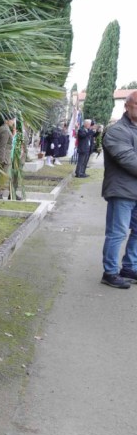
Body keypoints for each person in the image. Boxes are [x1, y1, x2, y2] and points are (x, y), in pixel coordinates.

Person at [99, 91, 137, 289]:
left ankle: (130, 267)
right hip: (121, 191)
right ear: (127, 106)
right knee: (118, 232)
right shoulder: (116, 131)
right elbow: (128, 160)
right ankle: (110, 272)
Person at [0, 116, 15, 198]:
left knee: (1, 175)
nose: (13, 122)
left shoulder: (4, 128)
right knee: (0, 175)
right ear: (7, 120)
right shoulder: (5, 130)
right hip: (4, 156)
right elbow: (2, 146)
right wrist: (2, 159)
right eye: (11, 120)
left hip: (5, 155)